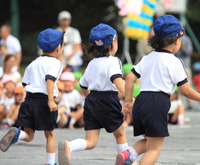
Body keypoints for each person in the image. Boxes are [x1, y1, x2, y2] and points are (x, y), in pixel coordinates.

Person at [115, 15, 200, 165]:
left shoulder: (146, 58)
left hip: (141, 101)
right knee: (154, 148)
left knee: (148, 140)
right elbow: (185, 90)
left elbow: (130, 78)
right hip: (157, 103)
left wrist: (128, 100)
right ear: (177, 41)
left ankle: (129, 153)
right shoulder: (175, 62)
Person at [58, 23, 129, 165]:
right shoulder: (114, 61)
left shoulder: (92, 64)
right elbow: (117, 80)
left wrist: (89, 98)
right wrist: (129, 98)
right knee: (120, 135)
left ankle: (69, 146)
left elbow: (83, 85)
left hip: (91, 100)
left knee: (90, 141)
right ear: (114, 42)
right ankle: (126, 161)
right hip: (108, 100)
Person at [0, 28, 64, 165]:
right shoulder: (56, 63)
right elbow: (50, 79)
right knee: (50, 135)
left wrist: (26, 101)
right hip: (45, 101)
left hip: (28, 100)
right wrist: (51, 101)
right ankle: (51, 162)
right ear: (59, 48)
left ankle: (18, 134)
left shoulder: (33, 63)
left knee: (29, 135)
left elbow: (25, 83)